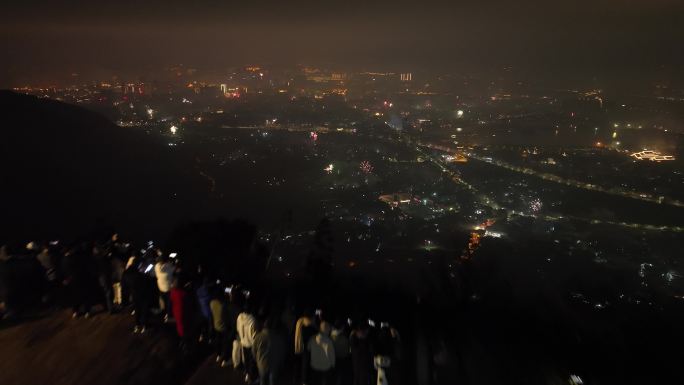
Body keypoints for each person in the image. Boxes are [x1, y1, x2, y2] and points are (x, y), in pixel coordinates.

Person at [123, 254, 154, 333]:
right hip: (142, 293)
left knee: (137, 309)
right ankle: (144, 325)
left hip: (133, 294)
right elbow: (146, 282)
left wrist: (125, 299)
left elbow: (124, 285)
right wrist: (146, 274)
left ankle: (137, 325)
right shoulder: (139, 274)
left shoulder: (126, 273)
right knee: (144, 309)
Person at [253, 317, 287, 385]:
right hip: (274, 364)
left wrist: (257, 360)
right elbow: (282, 352)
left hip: (261, 363)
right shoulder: (279, 338)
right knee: (273, 381)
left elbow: (254, 351)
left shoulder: (258, 337)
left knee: (262, 380)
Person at [294, 310, 318, 385]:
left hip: (298, 345)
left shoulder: (299, 321)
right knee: (305, 364)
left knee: (298, 364)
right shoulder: (308, 323)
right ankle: (304, 381)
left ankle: (296, 379)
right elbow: (311, 333)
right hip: (306, 347)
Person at [237, 303, 258, 383]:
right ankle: (252, 378)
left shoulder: (239, 317)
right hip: (251, 344)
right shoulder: (253, 320)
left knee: (246, 359)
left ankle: (247, 374)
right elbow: (254, 335)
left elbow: (238, 329)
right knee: (252, 361)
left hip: (243, 342)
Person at [210, 287, 230, 367]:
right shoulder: (224, 305)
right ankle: (225, 359)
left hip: (216, 325)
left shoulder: (212, 302)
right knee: (225, 343)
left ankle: (218, 355)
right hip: (224, 327)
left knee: (218, 341)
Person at [154, 254, 174, 322]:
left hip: (160, 287)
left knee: (164, 301)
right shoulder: (169, 267)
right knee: (169, 302)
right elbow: (173, 271)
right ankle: (168, 315)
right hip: (168, 287)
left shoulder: (156, 266)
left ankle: (165, 313)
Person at [331, 320, 351, 385]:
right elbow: (347, 351)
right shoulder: (344, 337)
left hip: (332, 359)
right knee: (340, 377)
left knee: (334, 377)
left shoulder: (330, 336)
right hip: (342, 359)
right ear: (342, 327)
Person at [170, 277, 189, 347]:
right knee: (183, 326)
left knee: (179, 324)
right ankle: (184, 341)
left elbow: (172, 300)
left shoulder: (172, 292)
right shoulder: (183, 293)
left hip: (176, 311)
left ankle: (182, 339)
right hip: (182, 311)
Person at [195, 276, 213, 343]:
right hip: (208, 313)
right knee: (209, 326)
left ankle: (201, 336)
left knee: (202, 326)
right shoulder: (209, 294)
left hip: (201, 312)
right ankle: (210, 338)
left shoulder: (198, 291)